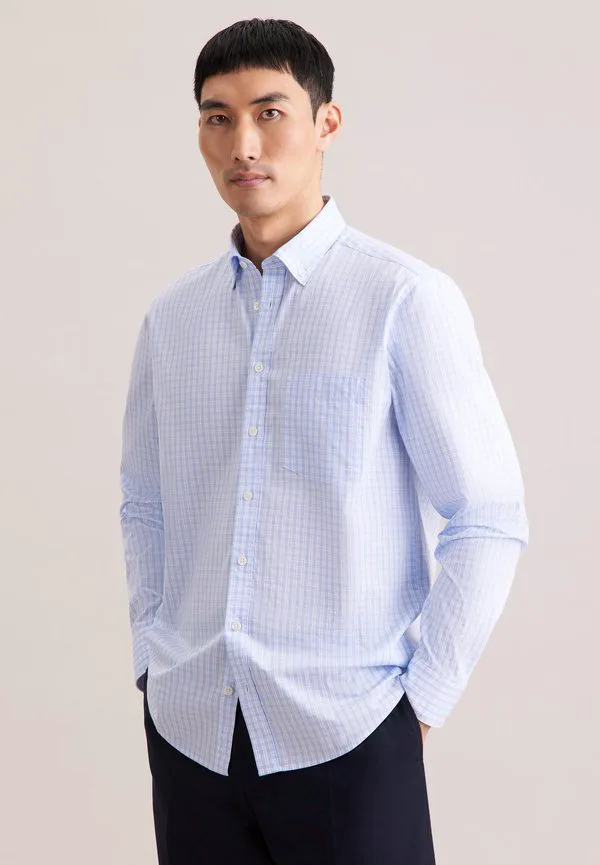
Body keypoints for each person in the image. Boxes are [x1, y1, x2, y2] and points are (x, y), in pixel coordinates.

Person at [119, 17, 529, 865]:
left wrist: (418, 706)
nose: (244, 143)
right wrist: (153, 664)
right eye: (218, 117)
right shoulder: (172, 319)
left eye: (270, 112)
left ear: (326, 123)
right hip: (193, 731)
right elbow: (144, 506)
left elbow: (488, 515)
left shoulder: (404, 300)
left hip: (349, 734)